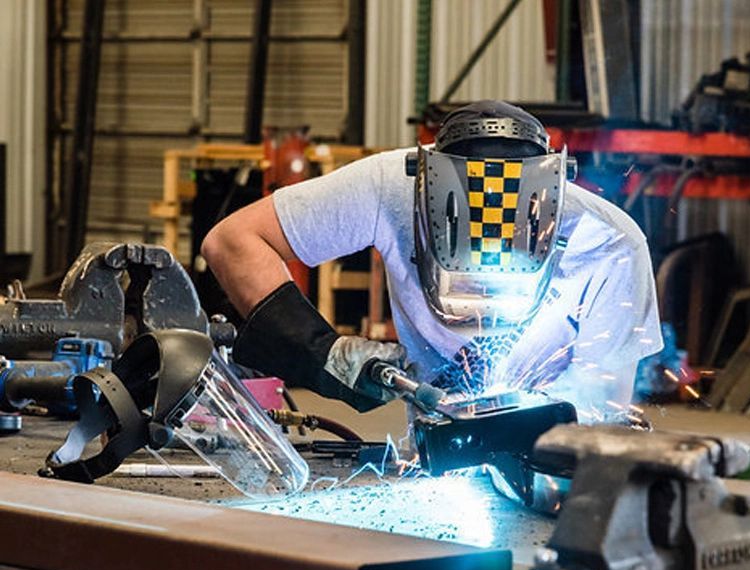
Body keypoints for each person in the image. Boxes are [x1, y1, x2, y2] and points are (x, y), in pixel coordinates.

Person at [201, 101, 663, 419]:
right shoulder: (392, 185)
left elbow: (605, 411)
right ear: (423, 194)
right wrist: (322, 353)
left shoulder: (610, 244)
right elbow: (233, 241)